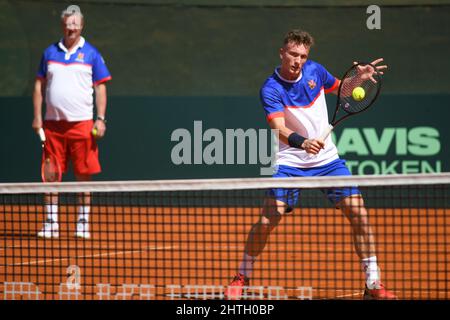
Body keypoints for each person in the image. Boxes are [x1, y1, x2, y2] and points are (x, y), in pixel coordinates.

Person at [224, 29, 396, 300]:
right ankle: (242, 274)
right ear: (282, 53)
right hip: (290, 161)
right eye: (293, 54)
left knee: (359, 214)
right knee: (270, 217)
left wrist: (357, 78)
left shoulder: (315, 71)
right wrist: (302, 143)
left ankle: (373, 284)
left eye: (303, 56)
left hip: (327, 160)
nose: (298, 61)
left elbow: (342, 90)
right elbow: (278, 129)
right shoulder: (271, 88)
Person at [32, 5, 111, 239]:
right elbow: (39, 85)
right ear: (62, 25)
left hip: (82, 125)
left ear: (82, 25)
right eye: (68, 23)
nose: (72, 27)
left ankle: (83, 222)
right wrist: (37, 116)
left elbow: (101, 88)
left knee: (83, 175)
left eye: (75, 24)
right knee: (51, 174)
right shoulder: (49, 53)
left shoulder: (92, 54)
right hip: (53, 125)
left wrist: (100, 119)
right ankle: (51, 222)